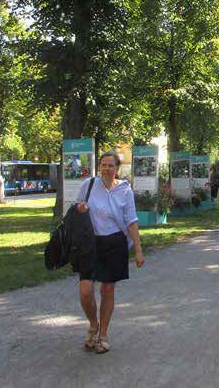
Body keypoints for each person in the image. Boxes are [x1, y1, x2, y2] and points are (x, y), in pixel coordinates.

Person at [76, 151, 145, 354]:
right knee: (85, 290)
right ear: (100, 167)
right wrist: (80, 209)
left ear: (117, 168)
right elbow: (76, 209)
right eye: (103, 165)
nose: (106, 169)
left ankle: (103, 334)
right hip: (90, 244)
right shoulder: (89, 185)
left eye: (110, 166)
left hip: (115, 243)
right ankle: (93, 324)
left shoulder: (125, 190)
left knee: (107, 290)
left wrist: (138, 250)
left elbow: (131, 221)